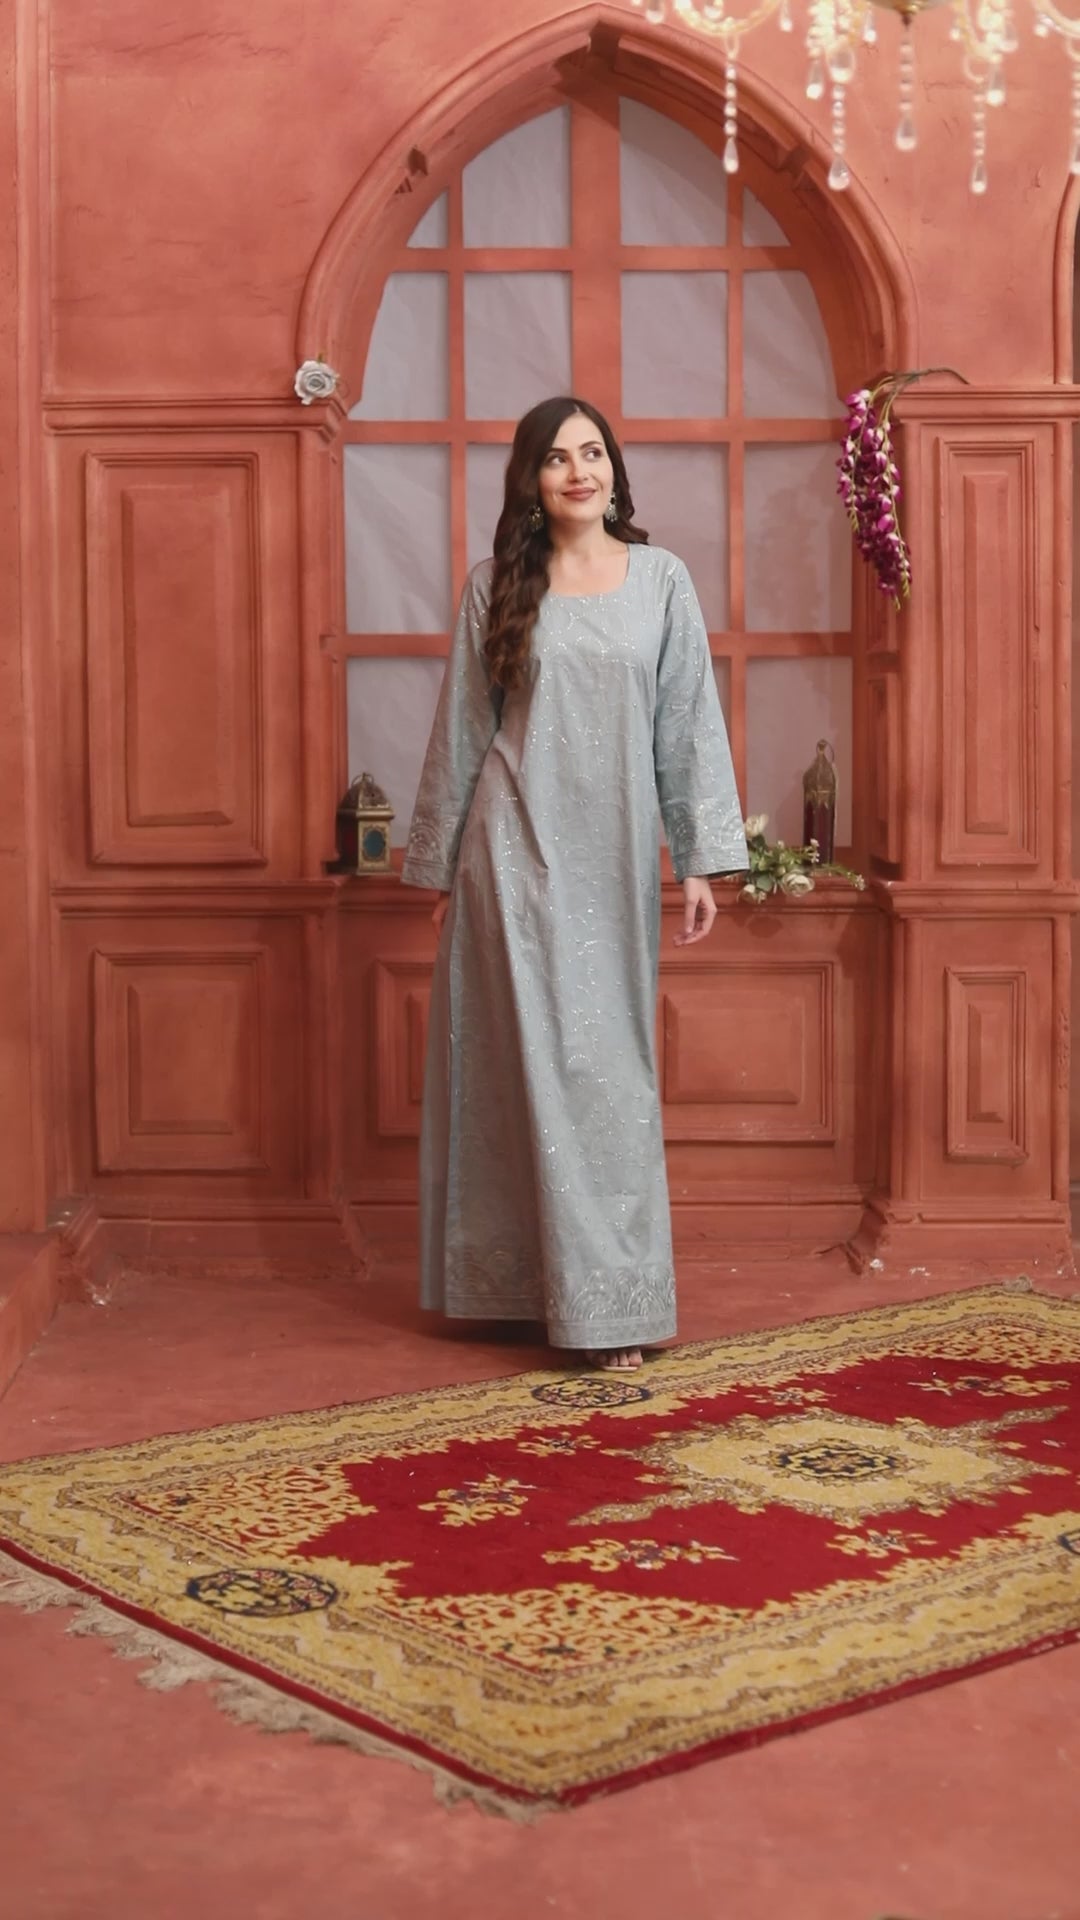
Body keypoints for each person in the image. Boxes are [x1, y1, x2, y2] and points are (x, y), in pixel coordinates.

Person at [401, 396, 747, 1371]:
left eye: (592, 453)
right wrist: (440, 865)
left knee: (605, 1074)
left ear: (614, 472)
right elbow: (464, 728)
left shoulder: (662, 581)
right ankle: (547, 1295)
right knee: (525, 1071)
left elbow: (688, 722)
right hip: (511, 854)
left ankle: (610, 1295)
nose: (579, 471)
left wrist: (700, 858)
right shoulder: (495, 586)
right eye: (557, 458)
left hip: (616, 862)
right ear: (532, 480)